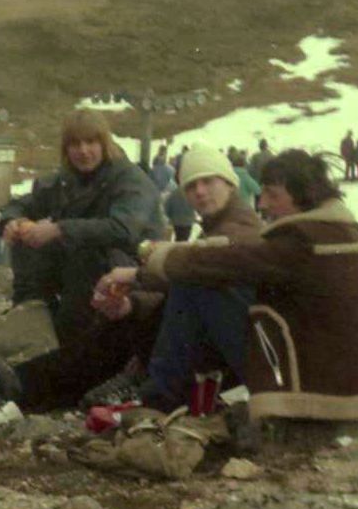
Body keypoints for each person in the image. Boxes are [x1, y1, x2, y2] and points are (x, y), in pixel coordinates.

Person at [135, 150, 358, 424]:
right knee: (202, 279)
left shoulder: (302, 241)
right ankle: (162, 393)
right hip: (340, 384)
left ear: (304, 194)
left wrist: (156, 260)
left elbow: (225, 261)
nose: (263, 203)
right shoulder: (340, 232)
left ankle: (157, 400)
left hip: (311, 391)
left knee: (196, 281)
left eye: (273, 195)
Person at [0, 110, 160, 407]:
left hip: (129, 275)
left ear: (104, 143)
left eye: (91, 142)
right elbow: (22, 203)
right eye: (75, 144)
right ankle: (32, 328)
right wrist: (12, 221)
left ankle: (44, 376)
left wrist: (58, 229)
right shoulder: (65, 181)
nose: (83, 151)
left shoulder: (131, 179)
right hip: (78, 276)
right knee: (29, 242)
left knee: (83, 255)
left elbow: (123, 229)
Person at [89, 144, 262, 410]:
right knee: (151, 302)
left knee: (189, 280)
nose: (200, 192)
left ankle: (157, 392)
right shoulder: (218, 225)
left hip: (250, 353)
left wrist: (137, 275)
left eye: (208, 181)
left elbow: (204, 264)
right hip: (232, 347)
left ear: (229, 183)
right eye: (191, 187)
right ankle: (143, 383)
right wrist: (132, 305)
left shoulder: (243, 226)